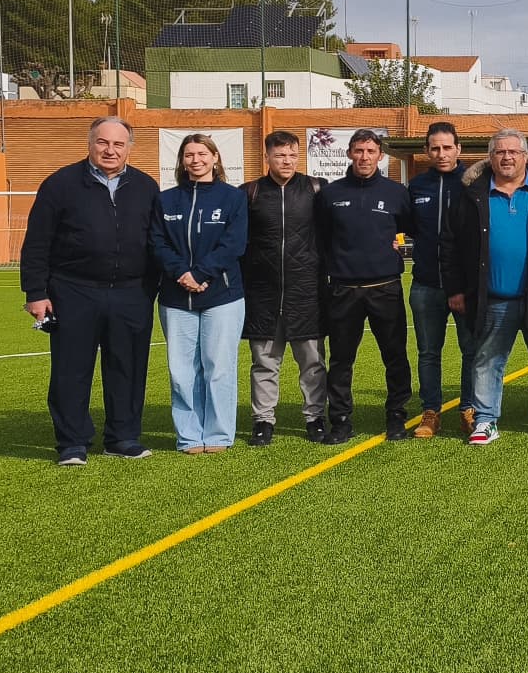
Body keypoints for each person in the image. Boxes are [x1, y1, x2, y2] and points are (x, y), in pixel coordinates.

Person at [21, 116, 160, 465]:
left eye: (118, 144)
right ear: (90, 143)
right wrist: (36, 293)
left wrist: (151, 288)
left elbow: (156, 241)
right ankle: (72, 442)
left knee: (127, 367)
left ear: (130, 148)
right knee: (71, 368)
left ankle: (123, 436)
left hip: (131, 293)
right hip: (73, 291)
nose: (110, 150)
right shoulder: (59, 184)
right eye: (103, 142)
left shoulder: (146, 186)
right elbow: (37, 243)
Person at [441, 129, 528, 444]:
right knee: (486, 360)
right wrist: (455, 288)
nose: (507, 157)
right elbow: (450, 244)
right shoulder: (471, 194)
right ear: (491, 157)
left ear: (525, 156)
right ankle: (485, 420)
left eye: (513, 151)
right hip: (492, 298)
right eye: (500, 152)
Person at [150, 133, 249, 454]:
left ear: (215, 158)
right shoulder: (165, 200)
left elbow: (234, 244)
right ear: (181, 161)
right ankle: (189, 436)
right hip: (176, 298)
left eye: (202, 153)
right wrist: (182, 273)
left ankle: (219, 434)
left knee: (218, 367)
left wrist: (201, 273)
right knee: (181, 372)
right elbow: (157, 243)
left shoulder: (233, 198)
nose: (196, 160)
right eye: (189, 155)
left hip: (222, 296)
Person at [317, 129, 416, 445]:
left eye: (371, 151)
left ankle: (396, 416)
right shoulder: (330, 194)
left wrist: (398, 246)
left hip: (385, 287)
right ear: (349, 153)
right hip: (343, 290)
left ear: (380, 155)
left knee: (395, 356)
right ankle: (341, 421)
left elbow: (408, 232)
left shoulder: (397, 193)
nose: (364, 157)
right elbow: (320, 240)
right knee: (341, 360)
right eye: (358, 151)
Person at [242, 130, 329, 445]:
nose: (287, 161)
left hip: (307, 292)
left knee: (313, 362)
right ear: (267, 157)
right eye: (280, 155)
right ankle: (263, 421)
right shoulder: (249, 193)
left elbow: (341, 228)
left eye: (293, 154)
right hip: (263, 295)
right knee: (264, 363)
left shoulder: (316, 189)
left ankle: (315, 418)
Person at [407, 122, 471, 439]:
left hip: (466, 286)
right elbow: (403, 226)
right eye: (435, 148)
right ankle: (431, 411)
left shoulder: (474, 182)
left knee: (471, 350)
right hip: (425, 283)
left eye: (447, 147)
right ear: (426, 151)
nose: (441, 153)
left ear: (459, 149)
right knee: (428, 352)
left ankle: (469, 409)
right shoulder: (417, 186)